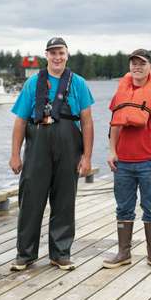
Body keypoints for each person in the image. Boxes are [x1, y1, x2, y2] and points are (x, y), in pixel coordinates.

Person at [9, 37, 94, 271]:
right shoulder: (32, 84)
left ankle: (61, 253)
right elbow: (20, 121)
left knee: (65, 201)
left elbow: (86, 122)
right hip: (37, 148)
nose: (57, 57)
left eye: (61, 53)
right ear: (46, 56)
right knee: (30, 201)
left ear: (67, 55)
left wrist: (87, 157)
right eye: (52, 53)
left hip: (69, 148)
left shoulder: (78, 83)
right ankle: (25, 254)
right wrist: (15, 154)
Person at [103, 49, 151, 271]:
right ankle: (124, 253)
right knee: (123, 208)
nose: (137, 67)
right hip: (123, 162)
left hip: (150, 163)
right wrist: (111, 151)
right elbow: (114, 124)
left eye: (142, 63)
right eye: (133, 63)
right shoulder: (120, 94)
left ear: (150, 67)